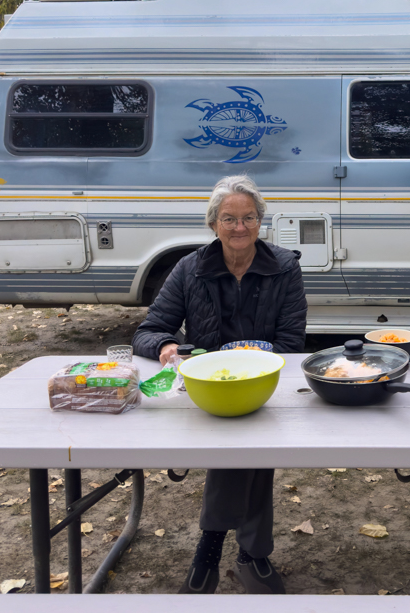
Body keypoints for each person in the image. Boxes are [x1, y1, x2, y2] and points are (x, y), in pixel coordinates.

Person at [132, 175, 307, 594]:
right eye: (229, 219)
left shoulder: (285, 267)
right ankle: (252, 554)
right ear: (213, 224)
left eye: (249, 218)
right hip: (207, 389)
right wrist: (168, 346)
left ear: (260, 222)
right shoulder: (190, 269)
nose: (239, 228)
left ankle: (210, 547)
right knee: (248, 450)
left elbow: (292, 343)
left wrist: (258, 359)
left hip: (265, 385)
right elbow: (149, 330)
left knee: (251, 444)